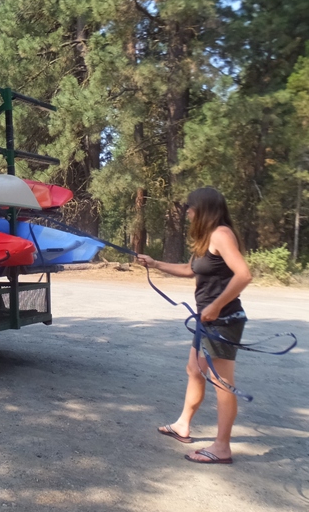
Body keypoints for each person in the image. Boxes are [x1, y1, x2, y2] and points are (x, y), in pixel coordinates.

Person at [136, 187, 252, 465]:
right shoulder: (206, 239)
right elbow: (190, 270)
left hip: (222, 321)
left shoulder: (221, 235)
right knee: (195, 370)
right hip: (207, 320)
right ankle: (183, 425)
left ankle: (222, 447)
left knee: (222, 383)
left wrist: (215, 306)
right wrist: (155, 263)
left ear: (203, 210)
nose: (187, 212)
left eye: (189, 208)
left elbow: (244, 275)